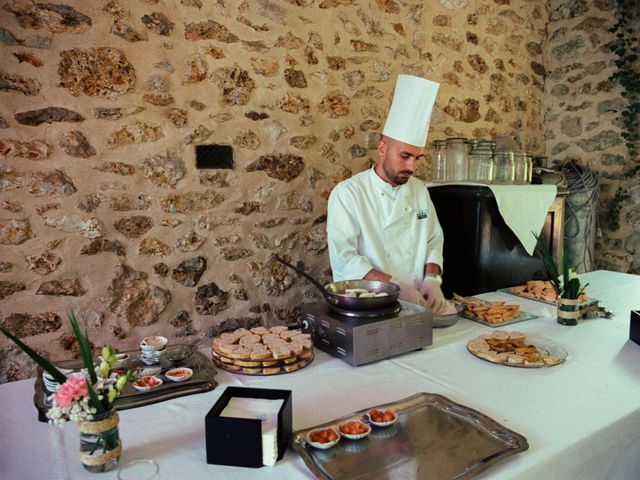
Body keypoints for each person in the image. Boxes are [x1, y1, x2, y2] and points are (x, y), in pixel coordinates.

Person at [326, 75, 447, 314]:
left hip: (417, 305)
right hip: (371, 305)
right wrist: (393, 286)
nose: (412, 167)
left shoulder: (419, 190)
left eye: (417, 158)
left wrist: (432, 278)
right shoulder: (348, 193)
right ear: (382, 148)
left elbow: (434, 239)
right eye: (405, 156)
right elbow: (345, 259)